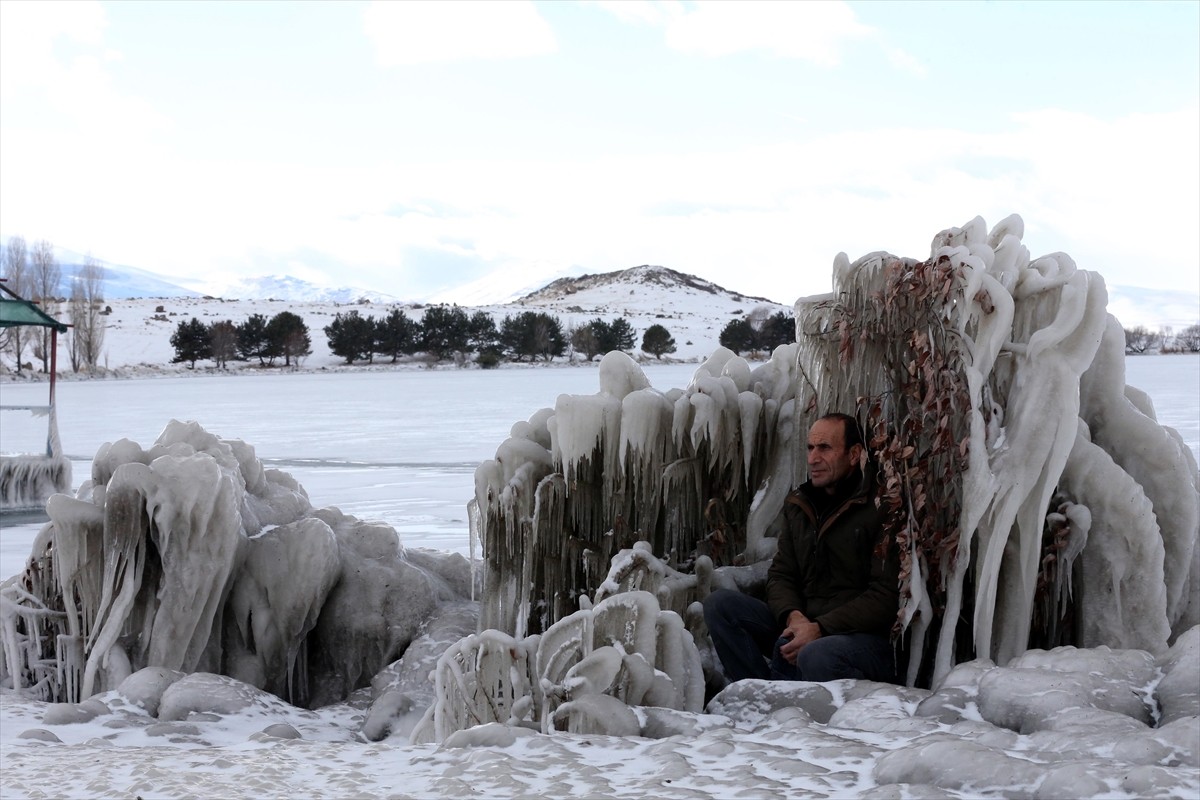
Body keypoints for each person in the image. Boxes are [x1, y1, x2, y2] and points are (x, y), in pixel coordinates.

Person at [702, 412, 901, 683]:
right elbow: (782, 575)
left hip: (859, 639)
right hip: (804, 624)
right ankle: (760, 695)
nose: (813, 459)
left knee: (816, 655)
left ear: (854, 454)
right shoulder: (800, 505)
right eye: (810, 448)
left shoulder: (880, 507)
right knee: (720, 605)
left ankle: (803, 703)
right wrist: (793, 617)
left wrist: (821, 628)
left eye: (825, 448)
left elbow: (885, 596)